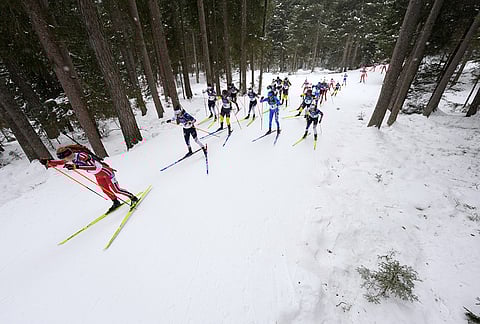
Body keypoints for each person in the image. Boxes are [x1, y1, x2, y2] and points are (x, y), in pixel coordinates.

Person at [42, 145, 138, 213]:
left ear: (68, 155)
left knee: (116, 190)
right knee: (105, 190)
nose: (65, 161)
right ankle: (115, 202)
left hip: (106, 172)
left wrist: (76, 167)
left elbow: (94, 167)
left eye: (65, 158)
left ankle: (133, 198)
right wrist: (48, 162)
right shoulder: (71, 158)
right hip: (98, 175)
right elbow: (60, 162)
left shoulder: (82, 156)